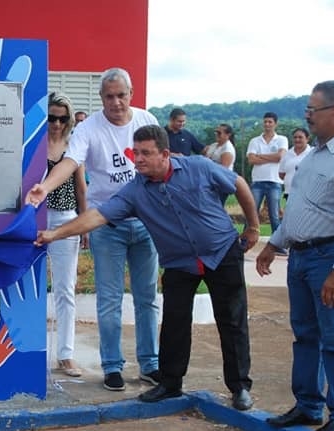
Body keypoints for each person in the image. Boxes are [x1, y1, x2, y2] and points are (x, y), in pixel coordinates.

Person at [34, 125, 259, 409]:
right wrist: (55, 234)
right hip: (180, 262)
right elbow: (97, 215)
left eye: (145, 153)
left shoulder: (199, 167)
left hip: (221, 252)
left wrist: (252, 227)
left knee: (231, 321)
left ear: (165, 154)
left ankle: (239, 387)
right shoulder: (135, 191)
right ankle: (170, 384)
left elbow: (238, 183)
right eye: (135, 152)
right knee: (174, 324)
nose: (137, 159)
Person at [256, 80, 334, 431]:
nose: (308, 116)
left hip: (330, 257)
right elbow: (298, 207)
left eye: (314, 110)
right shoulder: (313, 155)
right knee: (306, 335)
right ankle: (308, 405)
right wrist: (274, 244)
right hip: (301, 257)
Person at [27, 67, 160, 392]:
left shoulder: (147, 121)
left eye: (121, 95)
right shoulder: (89, 128)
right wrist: (44, 188)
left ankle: (150, 364)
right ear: (101, 98)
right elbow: (70, 163)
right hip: (106, 224)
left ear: (131, 94)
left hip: (146, 223)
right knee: (110, 299)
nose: (116, 102)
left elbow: (162, 163)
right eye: (109, 96)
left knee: (147, 298)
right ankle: (112, 366)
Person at [44, 92, 87, 377]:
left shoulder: (74, 146)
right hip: (35, 218)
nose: (57, 123)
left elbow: (81, 187)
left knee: (65, 289)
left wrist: (84, 223)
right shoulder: (34, 143)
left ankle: (66, 354)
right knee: (28, 287)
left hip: (65, 219)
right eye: (52, 117)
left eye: (62, 118)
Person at [246, 112, 287, 234]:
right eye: (265, 122)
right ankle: (244, 240)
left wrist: (260, 156)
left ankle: (277, 243)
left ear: (275, 123)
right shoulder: (255, 141)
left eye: (270, 122)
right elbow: (251, 160)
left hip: (274, 181)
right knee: (251, 212)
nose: (267, 124)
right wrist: (271, 157)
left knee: (274, 214)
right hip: (257, 181)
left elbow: (280, 157)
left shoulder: (281, 139)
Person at [278, 127, 313, 203]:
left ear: (307, 139)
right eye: (295, 137)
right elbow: (281, 174)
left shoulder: (313, 153)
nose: (297, 140)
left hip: (307, 194)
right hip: (288, 193)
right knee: (289, 214)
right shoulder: (287, 154)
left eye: (300, 137)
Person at [204, 123, 236, 205]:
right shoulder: (213, 145)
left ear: (228, 135)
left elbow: (223, 169)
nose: (216, 134)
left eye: (219, 133)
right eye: (216, 132)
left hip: (221, 183)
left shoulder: (228, 149)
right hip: (211, 181)